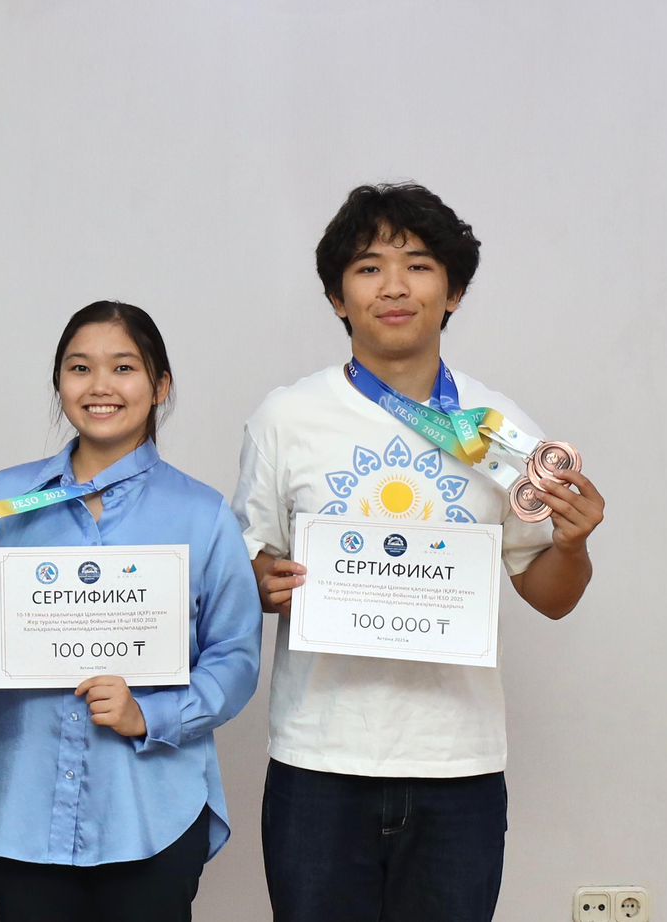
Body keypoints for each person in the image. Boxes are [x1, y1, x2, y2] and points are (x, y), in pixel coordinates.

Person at [233, 182, 607, 922]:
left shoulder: (500, 431)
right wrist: (265, 584)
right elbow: (248, 567)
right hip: (319, 759)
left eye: (419, 265)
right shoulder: (287, 418)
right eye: (369, 267)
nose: (394, 286)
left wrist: (573, 542)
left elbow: (550, 595)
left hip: (458, 764)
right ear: (338, 298)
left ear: (454, 292)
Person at [0, 301, 262, 922]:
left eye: (123, 367)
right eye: (80, 368)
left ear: (160, 386)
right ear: (59, 382)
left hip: (151, 811)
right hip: (26, 807)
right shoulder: (8, 499)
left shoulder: (201, 513)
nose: (100, 386)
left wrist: (151, 713)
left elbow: (237, 656)